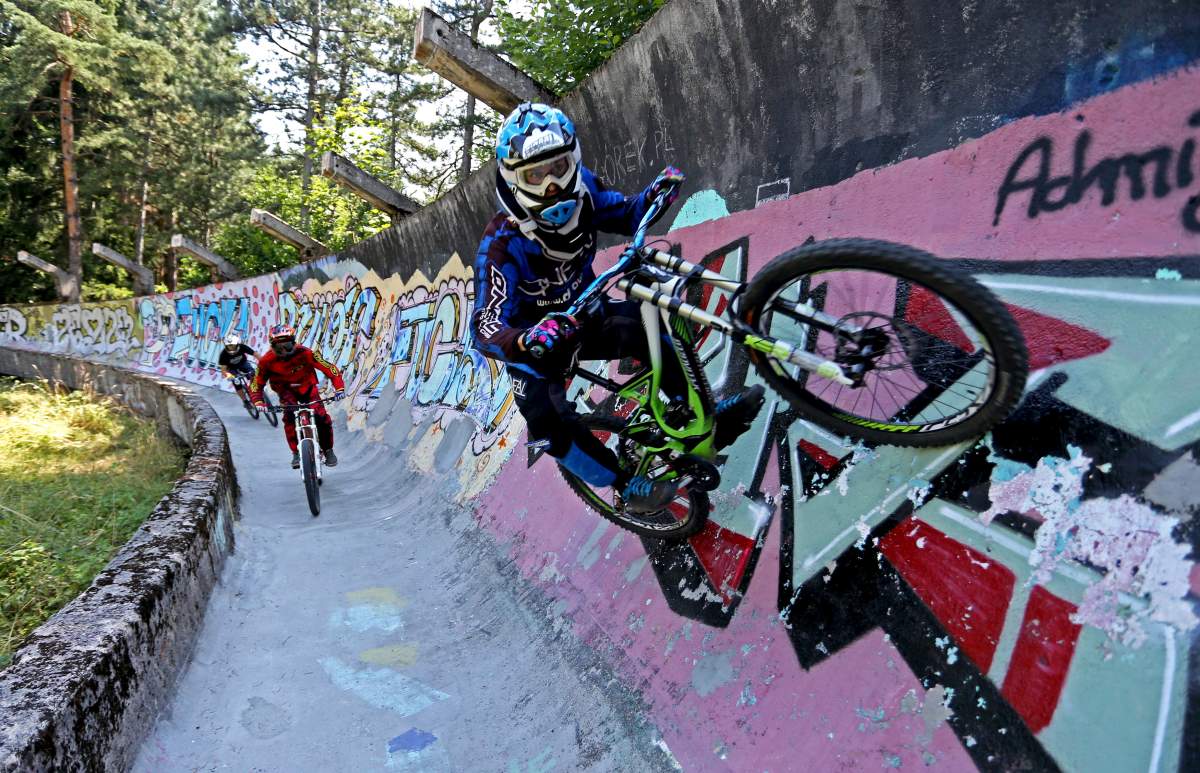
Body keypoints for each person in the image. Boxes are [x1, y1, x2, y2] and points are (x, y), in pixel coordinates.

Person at [471, 102, 764, 514]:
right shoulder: (501, 243)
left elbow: (627, 213)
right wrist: (526, 339)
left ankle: (702, 418)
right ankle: (626, 485)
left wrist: (654, 195)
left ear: (572, 158)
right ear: (512, 178)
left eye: (557, 167)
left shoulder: (585, 191)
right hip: (534, 347)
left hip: (586, 316)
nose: (551, 185)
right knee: (549, 426)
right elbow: (484, 325)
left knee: (654, 334)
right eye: (534, 175)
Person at [249, 324, 346, 469]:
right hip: (285, 392)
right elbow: (256, 383)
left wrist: (339, 388)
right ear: (272, 346)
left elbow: (329, 368)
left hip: (307, 388)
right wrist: (258, 401)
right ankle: (296, 452)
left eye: (287, 345)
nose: (284, 350)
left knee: (322, 418)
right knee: (289, 418)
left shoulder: (306, 353)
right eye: (279, 346)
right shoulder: (266, 361)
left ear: (294, 342)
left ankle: (328, 450)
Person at [218, 333, 258, 398]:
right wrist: (230, 376)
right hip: (231, 369)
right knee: (237, 383)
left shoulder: (242, 347)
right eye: (229, 345)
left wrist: (264, 363)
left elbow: (256, 354)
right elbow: (223, 371)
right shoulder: (223, 355)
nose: (231, 347)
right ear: (226, 345)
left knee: (252, 374)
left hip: (243, 364)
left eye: (233, 345)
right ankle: (245, 401)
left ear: (236, 344)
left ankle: (255, 390)